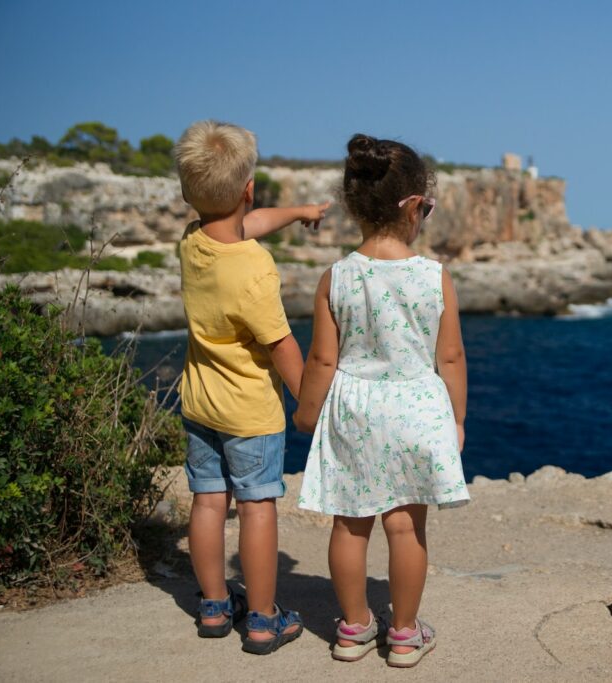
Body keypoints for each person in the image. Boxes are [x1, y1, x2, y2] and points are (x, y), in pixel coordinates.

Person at [293, 133, 469, 668]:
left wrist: (305, 412)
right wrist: (456, 422)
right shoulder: (434, 276)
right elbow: (453, 357)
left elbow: (322, 360)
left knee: (350, 523)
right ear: (415, 206)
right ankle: (405, 635)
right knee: (405, 526)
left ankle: (353, 628)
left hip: (355, 408)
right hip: (415, 408)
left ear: (353, 206)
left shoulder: (337, 277)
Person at [174, 119, 329, 655]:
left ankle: (215, 606)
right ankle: (263, 619)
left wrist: (299, 213)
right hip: (250, 415)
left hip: (199, 406)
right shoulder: (254, 269)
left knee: (208, 501)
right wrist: (313, 409)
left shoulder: (192, 242)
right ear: (248, 188)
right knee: (257, 506)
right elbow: (282, 345)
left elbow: (244, 224)